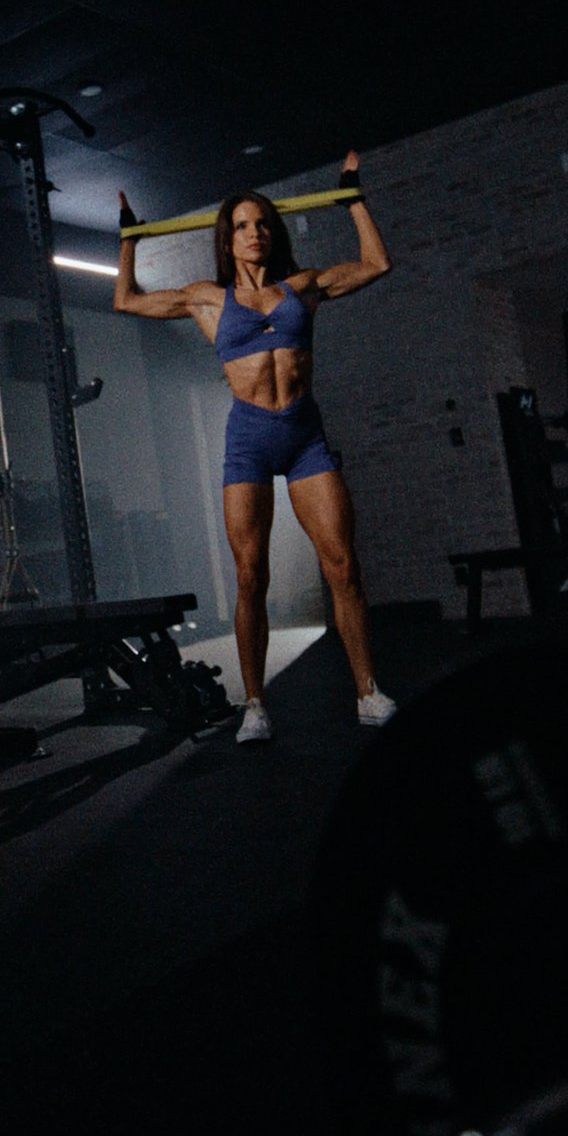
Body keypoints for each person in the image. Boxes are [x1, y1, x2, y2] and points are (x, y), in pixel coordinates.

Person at [112, 152, 395, 743]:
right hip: (249, 442)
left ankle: (367, 692)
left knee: (342, 566)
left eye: (262, 223)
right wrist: (128, 238)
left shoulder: (305, 286)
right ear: (228, 238)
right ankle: (256, 705)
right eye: (242, 225)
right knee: (249, 576)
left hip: (304, 436)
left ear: (274, 233)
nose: (254, 233)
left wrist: (352, 196)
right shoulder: (206, 299)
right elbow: (127, 301)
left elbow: (376, 263)